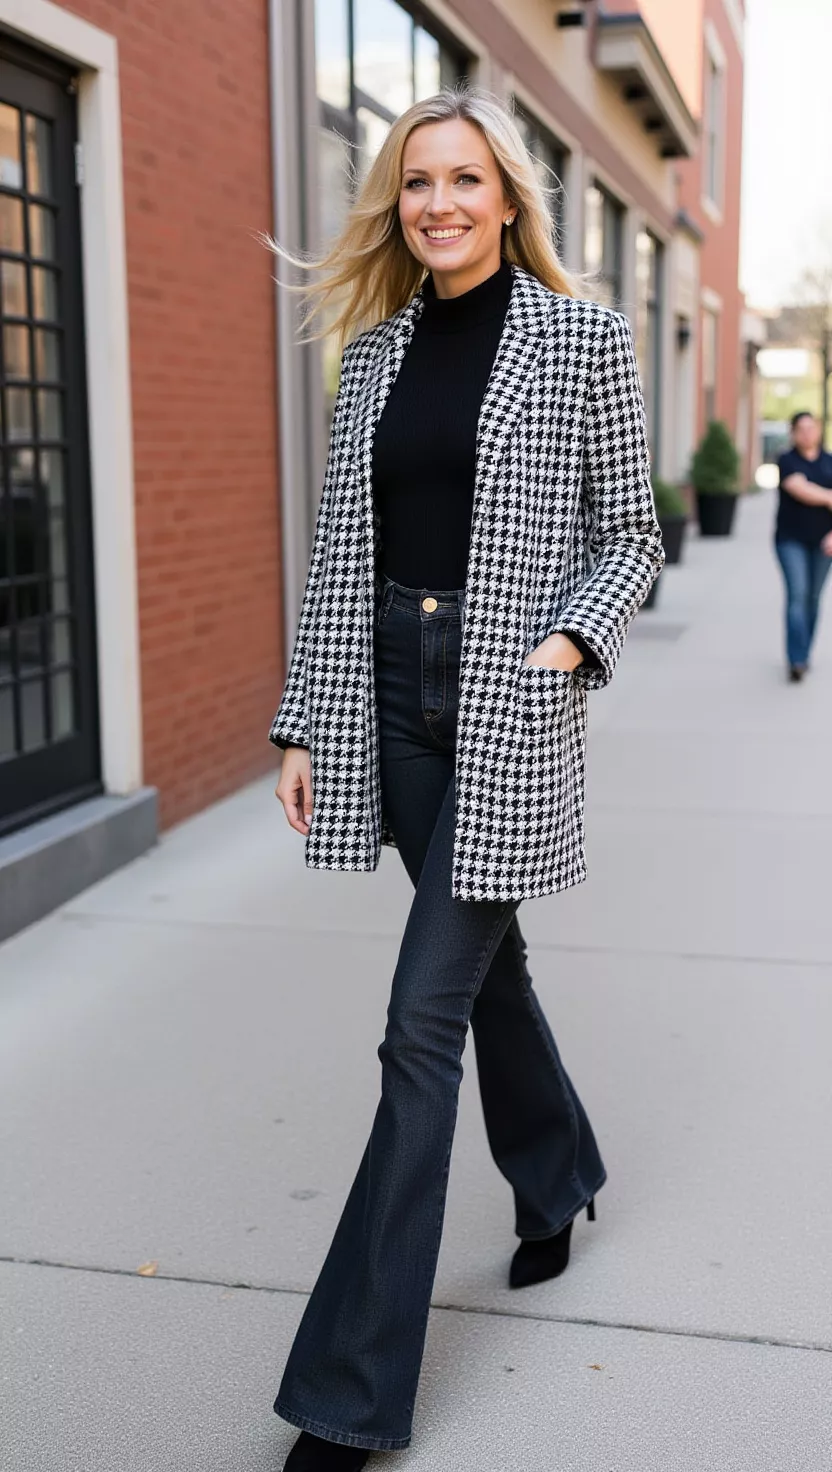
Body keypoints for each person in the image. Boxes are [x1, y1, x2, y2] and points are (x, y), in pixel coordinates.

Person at [268, 85, 664, 1471]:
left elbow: (632, 534)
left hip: (507, 706)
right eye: (416, 182)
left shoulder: (581, 339)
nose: (438, 202)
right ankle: (557, 1177)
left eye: (464, 179)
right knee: (491, 973)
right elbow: (336, 564)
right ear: (399, 204)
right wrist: (311, 724)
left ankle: (349, 1389)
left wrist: (570, 643)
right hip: (388, 699)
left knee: (417, 1024)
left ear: (508, 197)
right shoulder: (368, 362)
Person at [775, 410, 832, 681]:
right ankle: (796, 660)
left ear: (818, 430)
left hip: (825, 543)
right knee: (797, 594)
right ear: (794, 433)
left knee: (813, 598)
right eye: (802, 429)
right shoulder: (787, 460)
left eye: (812, 428)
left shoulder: (829, 461)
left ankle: (804, 652)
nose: (807, 433)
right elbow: (799, 488)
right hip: (791, 541)